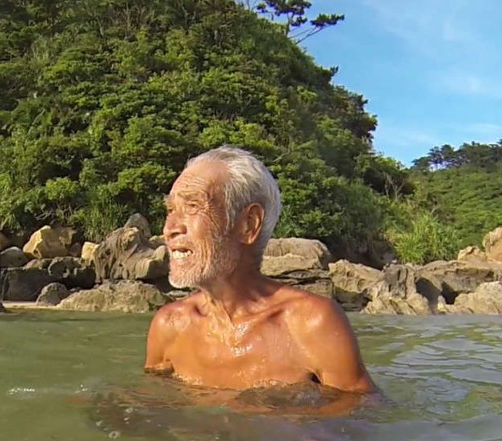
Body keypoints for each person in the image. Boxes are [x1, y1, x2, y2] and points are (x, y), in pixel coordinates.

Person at [145, 146, 376, 394]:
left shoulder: (311, 324)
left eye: (192, 206)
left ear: (248, 224)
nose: (169, 228)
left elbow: (362, 419)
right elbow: (154, 410)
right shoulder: (169, 326)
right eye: (170, 210)